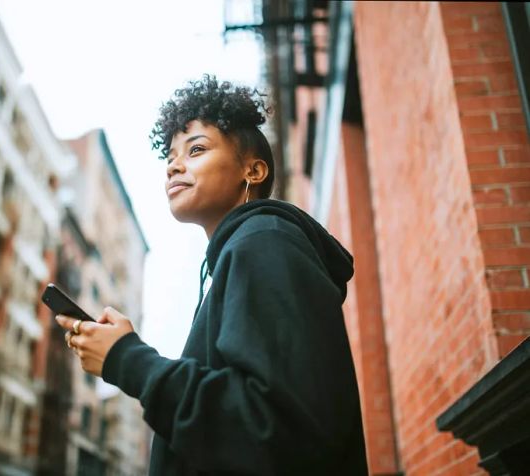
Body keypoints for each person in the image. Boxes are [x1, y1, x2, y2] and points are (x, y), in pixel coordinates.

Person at [57, 75, 368, 475]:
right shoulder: (239, 257)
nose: (174, 166)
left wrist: (128, 359)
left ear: (253, 171)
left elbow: (277, 430)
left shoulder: (265, 243)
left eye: (196, 149)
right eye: (170, 156)